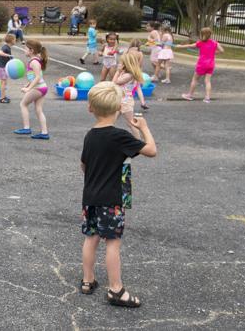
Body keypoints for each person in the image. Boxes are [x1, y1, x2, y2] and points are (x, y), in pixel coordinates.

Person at [79, 81, 156, 308]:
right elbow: (151, 150)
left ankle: (87, 280)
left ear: (90, 108)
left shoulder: (90, 135)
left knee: (91, 238)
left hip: (90, 197)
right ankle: (116, 289)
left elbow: (83, 165)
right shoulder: (119, 136)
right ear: (118, 108)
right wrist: (144, 127)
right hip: (111, 199)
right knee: (112, 243)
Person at [14, 39, 49, 139]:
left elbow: (38, 77)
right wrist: (27, 84)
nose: (24, 50)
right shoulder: (35, 60)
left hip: (38, 88)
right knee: (38, 110)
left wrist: (29, 89)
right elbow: (34, 77)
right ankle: (44, 133)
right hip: (42, 87)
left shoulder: (34, 62)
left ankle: (26, 128)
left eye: (25, 48)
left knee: (23, 104)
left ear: (31, 50)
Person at [179, 27, 223, 103]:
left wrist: (180, 46)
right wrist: (214, 52)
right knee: (207, 81)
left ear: (202, 34)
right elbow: (222, 51)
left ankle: (189, 95)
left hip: (202, 64)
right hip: (211, 64)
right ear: (210, 34)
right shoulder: (215, 43)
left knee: (195, 79)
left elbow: (190, 45)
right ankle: (207, 98)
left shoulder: (201, 43)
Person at [113, 53, 147, 137]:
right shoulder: (127, 73)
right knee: (111, 121)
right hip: (120, 100)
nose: (119, 64)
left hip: (125, 102)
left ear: (126, 64)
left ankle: (138, 141)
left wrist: (118, 71)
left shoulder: (128, 75)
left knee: (131, 123)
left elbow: (113, 83)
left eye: (121, 62)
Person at [0, 34, 16, 103]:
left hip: (3, 67)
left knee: (4, 83)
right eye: (14, 39)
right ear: (11, 40)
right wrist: (8, 55)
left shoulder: (8, 47)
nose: (15, 41)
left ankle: (3, 96)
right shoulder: (6, 47)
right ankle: (2, 98)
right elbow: (0, 53)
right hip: (2, 67)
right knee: (3, 83)